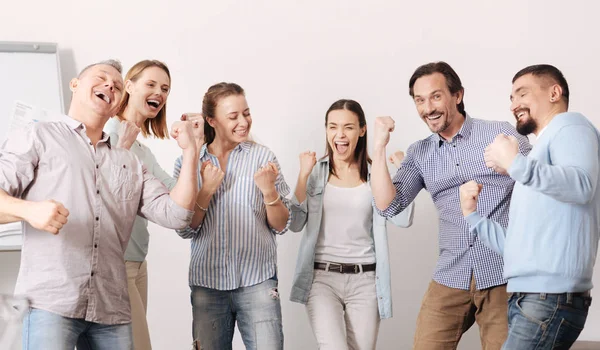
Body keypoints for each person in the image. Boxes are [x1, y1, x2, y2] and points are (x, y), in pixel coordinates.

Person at [0, 59, 200, 350]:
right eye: (102, 77)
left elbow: (178, 214)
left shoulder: (128, 160)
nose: (110, 85)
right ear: (75, 84)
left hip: (111, 311)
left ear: (119, 100)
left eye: (117, 85)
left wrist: (191, 151)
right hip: (51, 305)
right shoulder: (38, 136)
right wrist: (29, 210)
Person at [370, 61, 532, 349]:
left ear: (457, 95)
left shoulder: (499, 133)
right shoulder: (420, 153)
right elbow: (388, 206)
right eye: (419, 100)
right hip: (451, 273)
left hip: (502, 273)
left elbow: (537, 179)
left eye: (435, 96)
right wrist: (379, 147)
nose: (427, 108)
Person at [460, 64, 598, 349]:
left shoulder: (571, 125)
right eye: (511, 98)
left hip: (549, 298)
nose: (514, 104)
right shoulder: (537, 158)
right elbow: (516, 247)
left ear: (554, 93)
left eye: (522, 93)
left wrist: (514, 163)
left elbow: (582, 184)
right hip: (529, 296)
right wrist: (472, 216)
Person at [289, 99, 414, 349]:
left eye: (348, 127)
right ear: (326, 130)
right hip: (322, 280)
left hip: (365, 281)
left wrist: (404, 169)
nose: (340, 134)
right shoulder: (315, 172)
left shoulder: (374, 174)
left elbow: (402, 218)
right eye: (333, 127)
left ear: (362, 130)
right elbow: (295, 222)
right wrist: (302, 175)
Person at [174, 82, 291, 350]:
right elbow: (184, 228)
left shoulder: (263, 157)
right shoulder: (189, 161)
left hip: (258, 282)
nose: (243, 122)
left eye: (246, 113)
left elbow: (283, 224)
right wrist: (205, 191)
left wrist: (269, 191)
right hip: (208, 285)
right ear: (212, 121)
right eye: (233, 116)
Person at [103, 59, 197, 350]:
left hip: (138, 263)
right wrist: (122, 148)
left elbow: (174, 195)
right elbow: (96, 193)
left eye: (165, 88)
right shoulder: (108, 132)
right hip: (114, 264)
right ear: (128, 86)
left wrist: (195, 146)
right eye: (151, 84)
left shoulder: (142, 149)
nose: (160, 92)